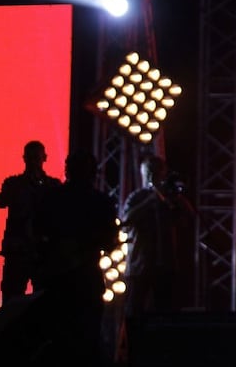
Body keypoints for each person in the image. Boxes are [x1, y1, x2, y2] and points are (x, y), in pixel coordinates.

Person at [34, 150, 120, 365]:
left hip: (56, 279)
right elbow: (110, 243)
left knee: (56, 342)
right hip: (86, 280)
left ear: (67, 170)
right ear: (93, 173)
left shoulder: (52, 198)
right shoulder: (101, 202)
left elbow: (37, 232)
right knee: (87, 341)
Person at [121, 154, 195, 322]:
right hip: (141, 265)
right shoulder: (137, 197)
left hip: (166, 265)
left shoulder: (169, 200)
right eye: (152, 173)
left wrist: (177, 196)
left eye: (160, 172)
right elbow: (125, 220)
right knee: (135, 312)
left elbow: (189, 217)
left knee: (166, 314)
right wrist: (150, 201)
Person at [0, 139, 63, 302]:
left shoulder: (53, 186)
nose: (33, 162)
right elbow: (0, 201)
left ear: (44, 158)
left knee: (43, 299)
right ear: (24, 158)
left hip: (43, 251)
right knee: (12, 299)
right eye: (30, 158)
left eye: (36, 158)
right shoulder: (14, 184)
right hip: (19, 251)